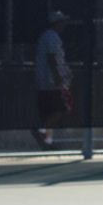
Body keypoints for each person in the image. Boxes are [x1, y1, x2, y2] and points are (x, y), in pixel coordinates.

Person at [32, 10, 73, 150]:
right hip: (50, 83)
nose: (64, 24)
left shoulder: (49, 36)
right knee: (60, 109)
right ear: (57, 23)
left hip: (46, 83)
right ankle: (42, 131)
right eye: (62, 21)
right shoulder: (51, 37)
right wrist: (57, 77)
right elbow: (52, 58)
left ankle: (47, 142)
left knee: (48, 112)